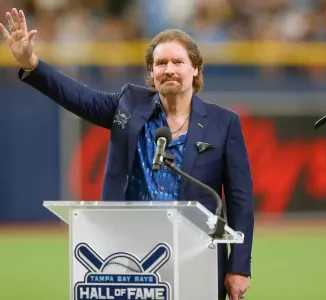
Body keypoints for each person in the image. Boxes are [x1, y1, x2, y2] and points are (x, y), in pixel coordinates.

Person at [0, 8, 254, 300]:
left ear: (195, 69)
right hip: (128, 254)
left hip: (196, 255)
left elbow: (240, 199)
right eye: (160, 63)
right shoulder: (128, 104)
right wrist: (31, 62)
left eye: (177, 62)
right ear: (151, 72)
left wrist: (239, 268)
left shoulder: (224, 123)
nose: (168, 69)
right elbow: (77, 96)